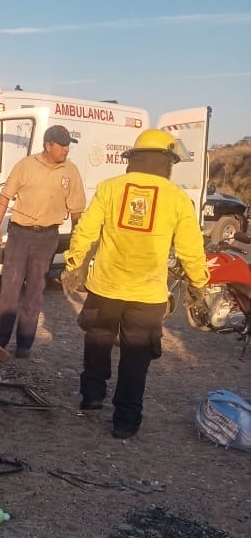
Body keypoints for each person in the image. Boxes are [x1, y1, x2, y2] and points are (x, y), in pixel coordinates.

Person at [62, 128, 209, 439]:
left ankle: (91, 396)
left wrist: (75, 265)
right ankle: (126, 422)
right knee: (136, 357)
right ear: (167, 161)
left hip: (105, 287)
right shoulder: (178, 198)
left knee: (98, 340)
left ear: (135, 158)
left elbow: (86, 231)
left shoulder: (110, 188)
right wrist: (198, 284)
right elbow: (191, 250)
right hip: (148, 294)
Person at [0, 124, 86, 358]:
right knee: (10, 289)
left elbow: (77, 212)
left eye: (68, 144)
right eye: (61, 145)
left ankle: (25, 343)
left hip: (48, 237)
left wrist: (77, 241)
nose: (66, 149)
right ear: (47, 145)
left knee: (35, 291)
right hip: (20, 235)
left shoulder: (70, 172)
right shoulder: (26, 165)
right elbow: (4, 197)